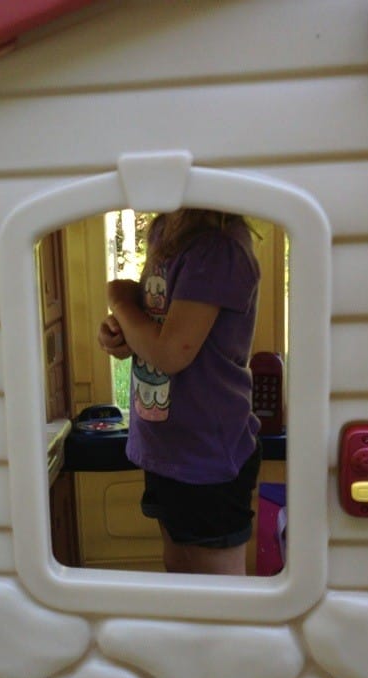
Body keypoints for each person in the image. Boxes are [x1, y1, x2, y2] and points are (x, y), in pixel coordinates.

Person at [98, 209, 262, 576]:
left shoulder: (218, 248)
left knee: (216, 592)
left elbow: (171, 353)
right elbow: (157, 325)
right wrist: (123, 331)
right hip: (167, 445)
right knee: (179, 571)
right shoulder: (166, 229)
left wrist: (120, 301)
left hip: (206, 452)